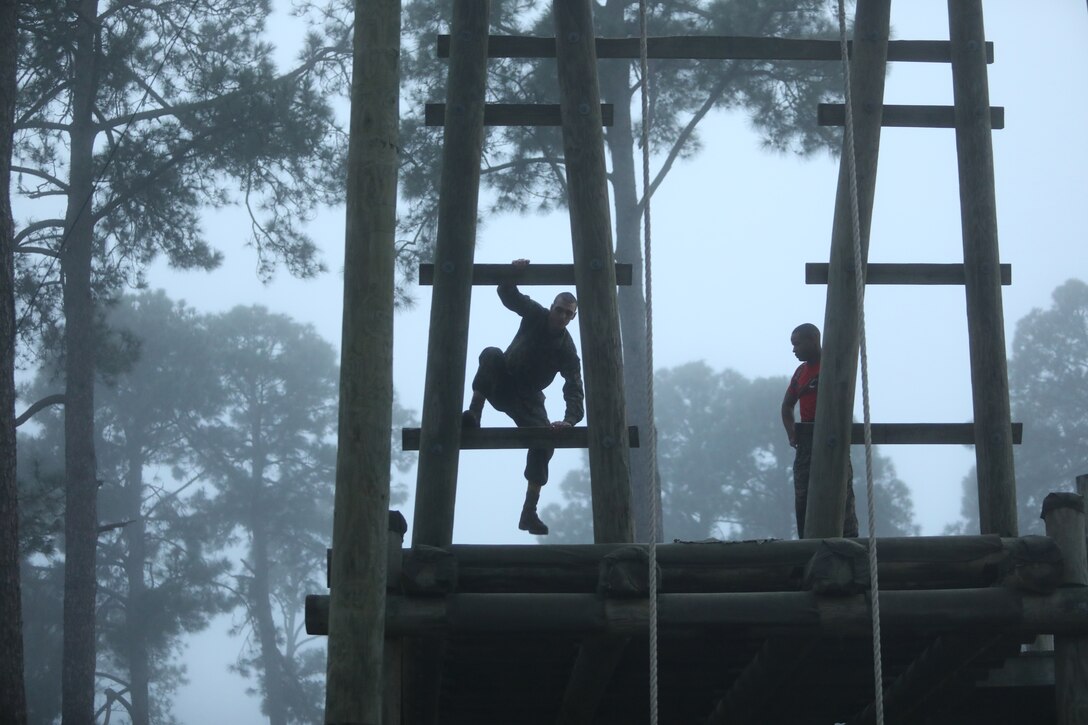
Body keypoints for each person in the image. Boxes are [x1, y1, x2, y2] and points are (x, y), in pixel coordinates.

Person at [462, 259, 585, 535]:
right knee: (491, 353)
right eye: (559, 310)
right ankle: (474, 414)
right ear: (551, 308)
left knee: (544, 441)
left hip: (529, 399)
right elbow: (509, 295)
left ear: (572, 317)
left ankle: (529, 511)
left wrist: (569, 420)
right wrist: (512, 272)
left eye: (568, 314)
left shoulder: (567, 349)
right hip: (503, 381)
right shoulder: (535, 314)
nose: (561, 316)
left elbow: (574, 386)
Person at [780, 322, 859, 539]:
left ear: (813, 339)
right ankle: (806, 544)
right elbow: (786, 406)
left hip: (832, 436)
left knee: (841, 492)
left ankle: (849, 541)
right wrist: (791, 433)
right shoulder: (800, 373)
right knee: (804, 496)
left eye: (797, 344)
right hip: (806, 439)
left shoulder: (833, 364)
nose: (794, 350)